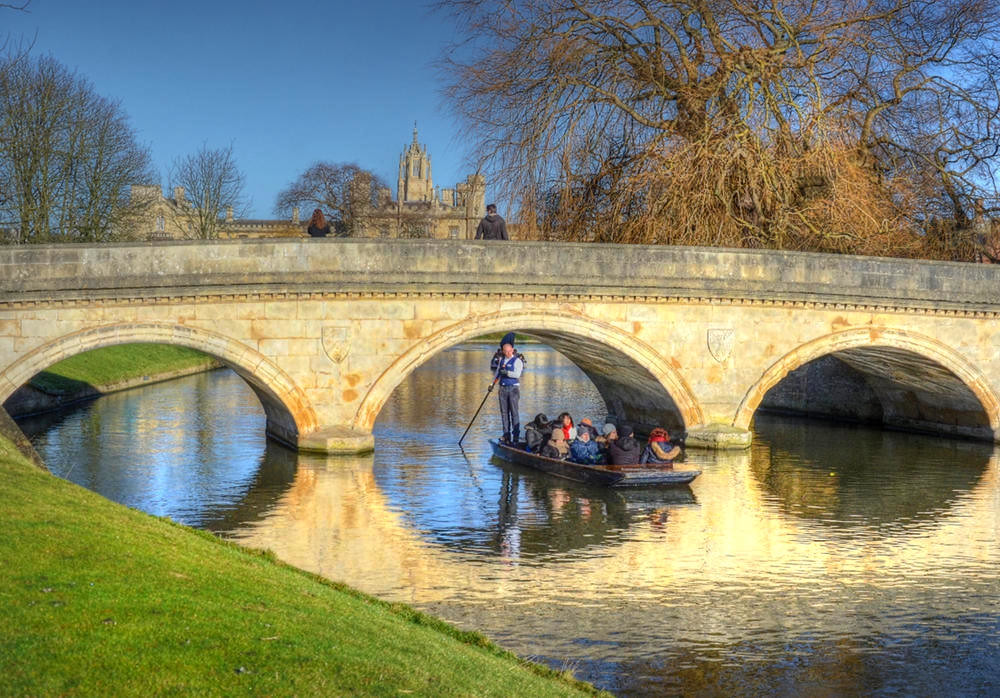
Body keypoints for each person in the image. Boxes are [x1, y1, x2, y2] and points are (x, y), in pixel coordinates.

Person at [493, 334, 524, 444]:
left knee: (514, 413)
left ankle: (515, 436)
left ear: (512, 350)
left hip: (513, 389)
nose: (508, 353)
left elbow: (517, 374)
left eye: (509, 351)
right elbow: (497, 374)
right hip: (502, 389)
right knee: (504, 413)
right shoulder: (501, 361)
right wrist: (492, 384)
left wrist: (507, 373)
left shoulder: (517, 361)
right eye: (505, 351)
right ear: (503, 351)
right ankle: (506, 435)